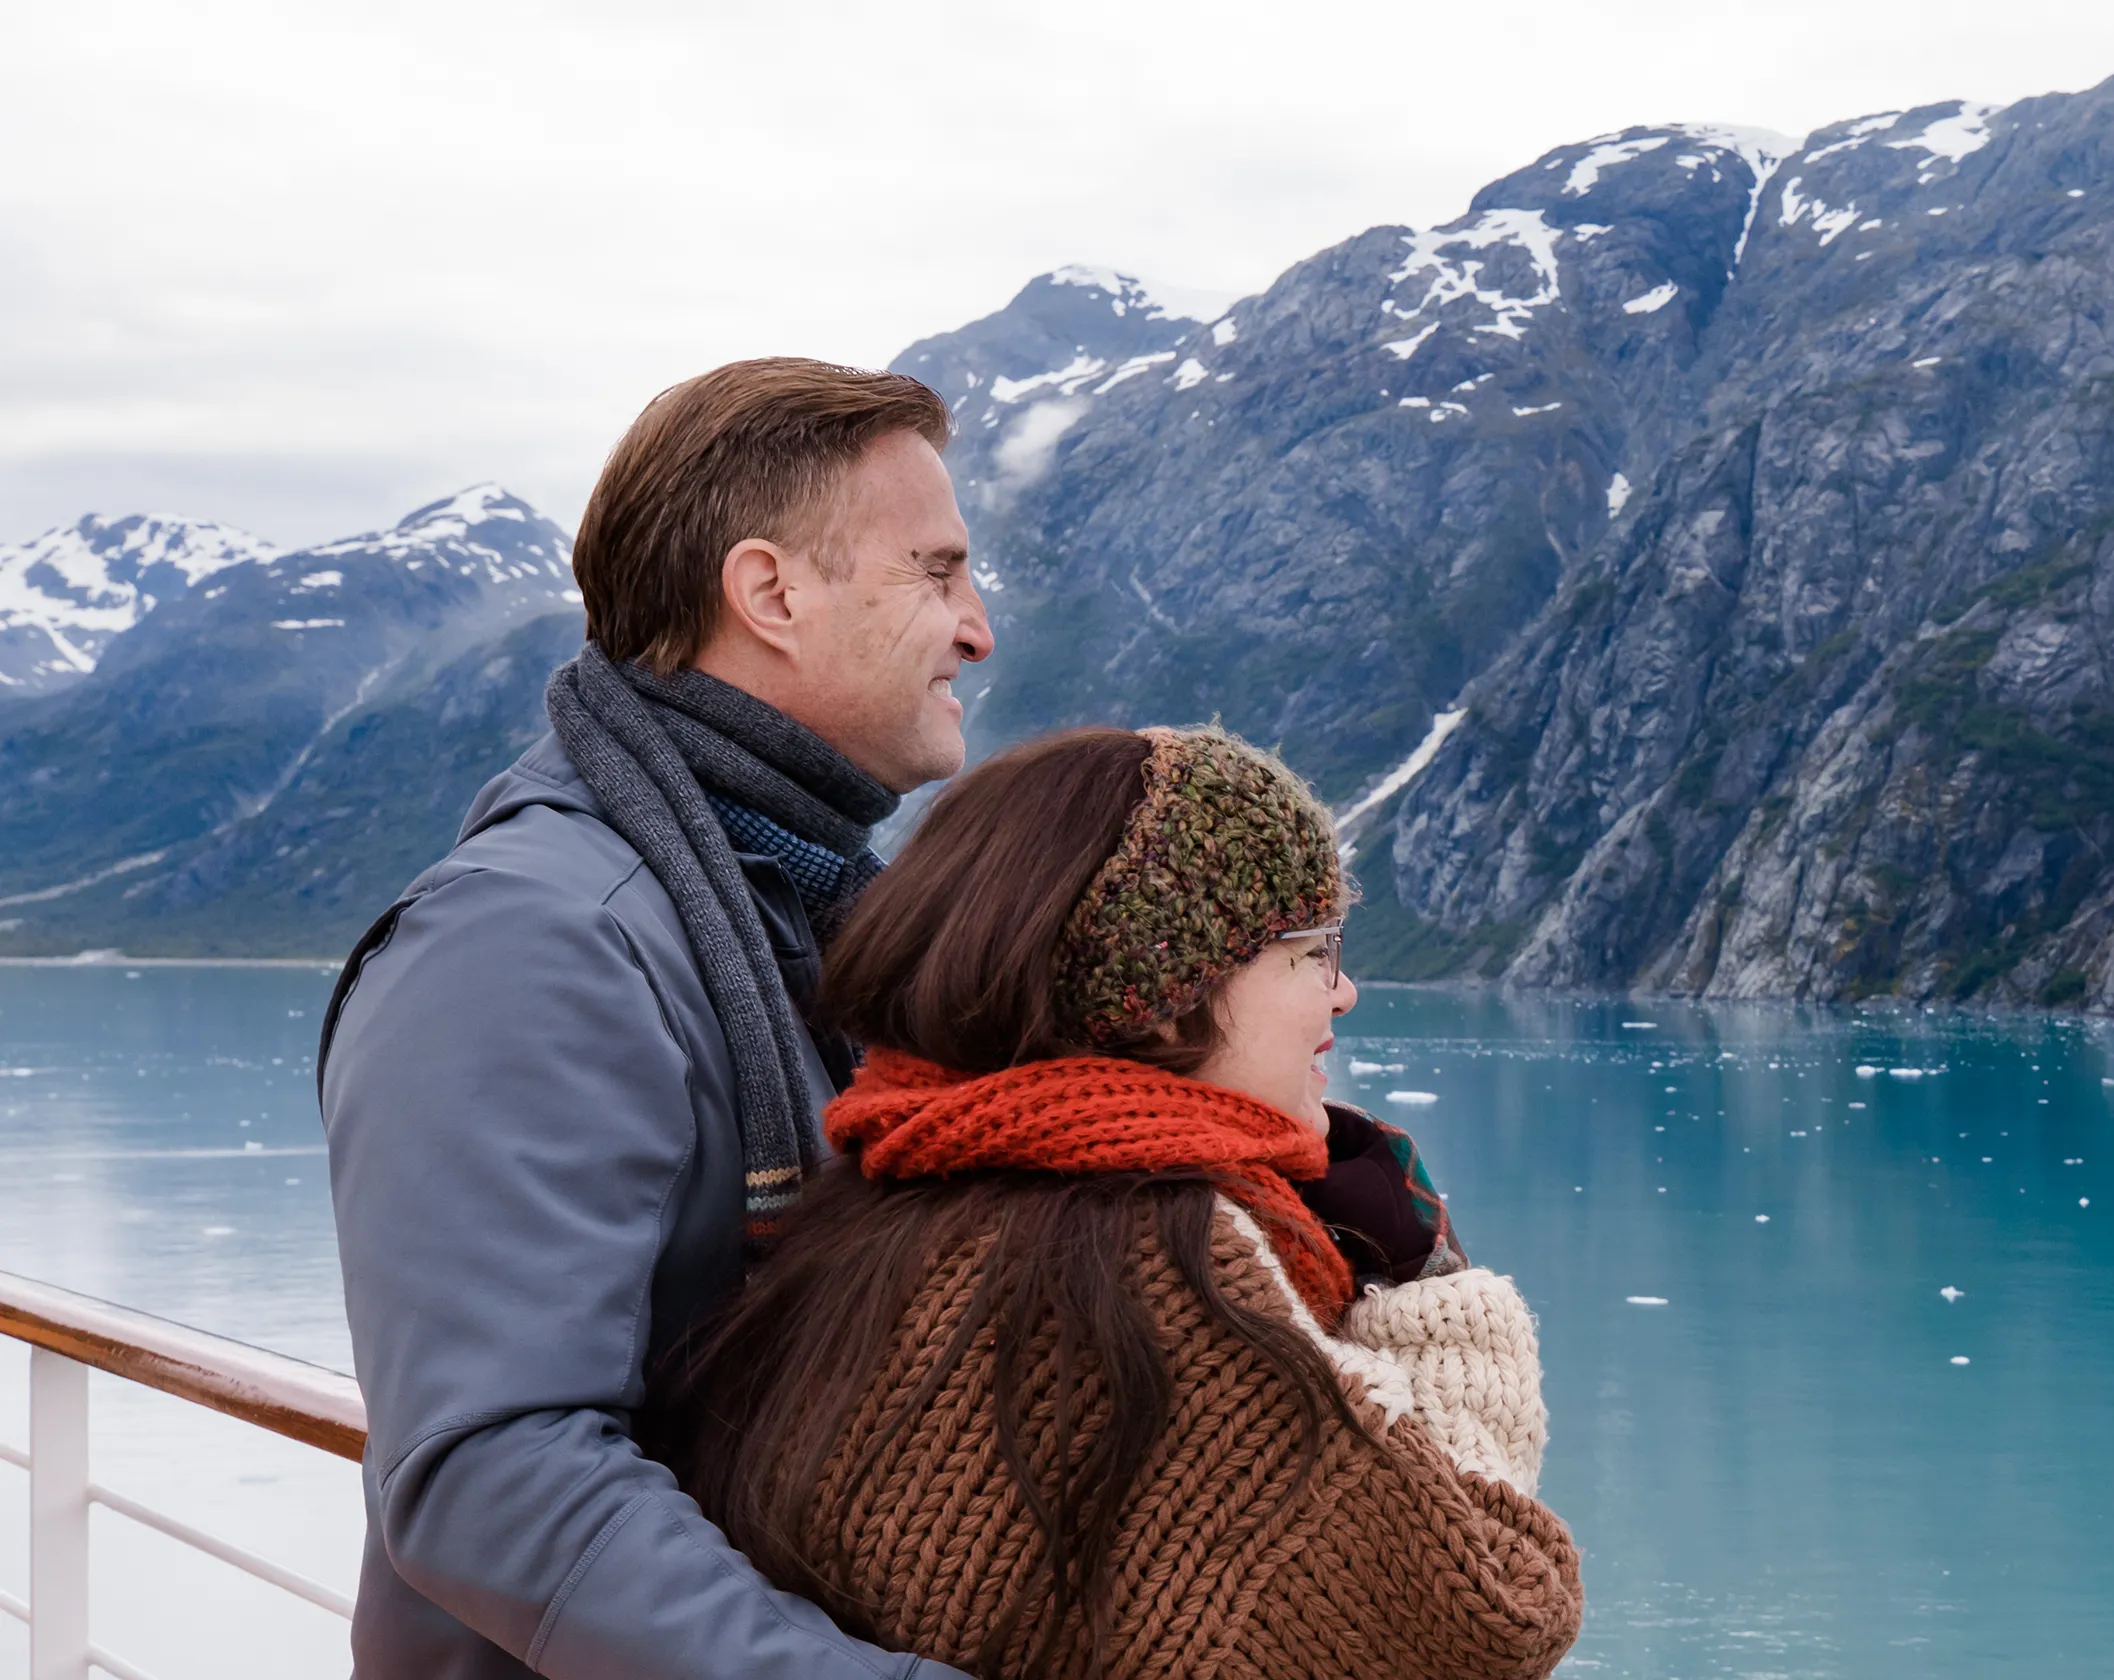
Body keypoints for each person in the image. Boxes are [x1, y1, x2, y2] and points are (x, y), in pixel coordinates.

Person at [321, 357, 993, 1678]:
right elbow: (494, 1474)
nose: (977, 627)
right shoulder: (527, 941)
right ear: (772, 594)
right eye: (937, 571)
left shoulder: (798, 916)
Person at [653, 724, 1580, 1680]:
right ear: (1174, 988)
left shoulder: (885, 1205)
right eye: (1312, 951)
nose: (1342, 993)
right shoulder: (1165, 1269)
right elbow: (1490, 1620)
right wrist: (1427, 1287)